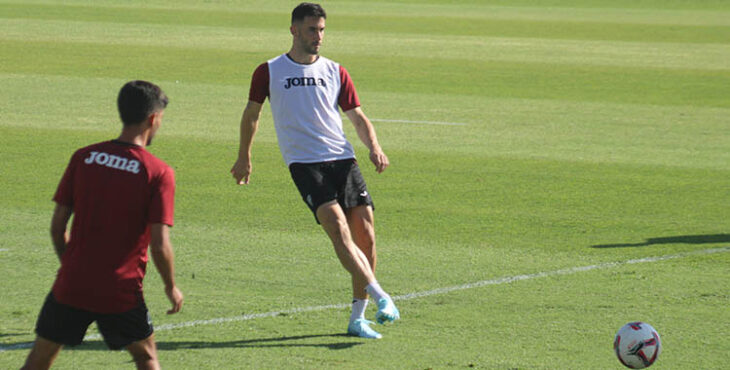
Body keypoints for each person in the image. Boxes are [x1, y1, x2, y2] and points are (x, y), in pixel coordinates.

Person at [230, 3, 400, 339]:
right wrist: (243, 157)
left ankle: (357, 318)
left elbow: (358, 117)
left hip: (343, 159)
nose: (318, 36)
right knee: (338, 229)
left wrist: (374, 147)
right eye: (311, 29)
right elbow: (252, 114)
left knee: (365, 234)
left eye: (321, 29)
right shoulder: (269, 70)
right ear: (294, 30)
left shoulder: (336, 70)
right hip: (305, 164)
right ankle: (382, 296)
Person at [22, 80, 183, 370]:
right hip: (119, 291)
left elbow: (58, 227)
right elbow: (159, 244)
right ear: (153, 118)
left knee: (39, 359)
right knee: (146, 358)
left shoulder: (84, 157)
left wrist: (71, 265)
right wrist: (171, 286)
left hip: (72, 283)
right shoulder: (158, 173)